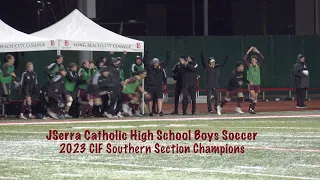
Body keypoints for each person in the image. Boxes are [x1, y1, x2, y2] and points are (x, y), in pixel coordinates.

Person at [143, 50, 170, 116]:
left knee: (159, 98)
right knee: (150, 99)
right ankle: (150, 111)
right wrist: (146, 54)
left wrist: (168, 55)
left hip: (159, 86)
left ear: (158, 63)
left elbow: (166, 62)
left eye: (157, 62)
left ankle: (160, 111)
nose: (155, 63)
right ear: (152, 62)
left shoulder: (161, 68)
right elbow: (145, 62)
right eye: (154, 62)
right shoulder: (149, 67)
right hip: (150, 85)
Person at [103, 51, 127, 118]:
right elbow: (108, 60)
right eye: (114, 62)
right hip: (111, 86)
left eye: (116, 62)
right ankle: (109, 112)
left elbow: (121, 61)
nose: (116, 63)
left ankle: (115, 113)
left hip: (117, 86)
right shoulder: (110, 67)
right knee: (113, 100)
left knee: (119, 100)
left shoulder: (118, 67)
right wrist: (110, 54)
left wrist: (124, 54)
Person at [243, 47, 265, 114]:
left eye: (253, 60)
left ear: (256, 61)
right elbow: (244, 58)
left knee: (255, 99)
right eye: (251, 60)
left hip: (257, 84)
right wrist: (249, 50)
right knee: (253, 96)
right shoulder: (249, 66)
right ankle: (250, 109)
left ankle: (251, 109)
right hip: (251, 84)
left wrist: (257, 51)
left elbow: (262, 58)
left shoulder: (258, 66)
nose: (252, 61)